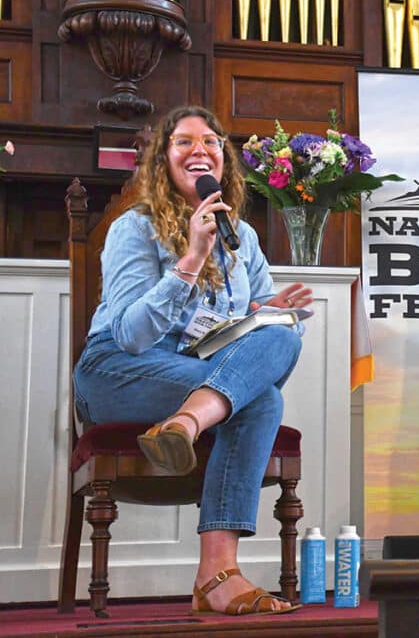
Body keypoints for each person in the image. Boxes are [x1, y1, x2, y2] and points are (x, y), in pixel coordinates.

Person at [73, 105, 313, 615]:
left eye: (210, 142)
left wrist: (260, 313)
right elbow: (132, 336)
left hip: (199, 376)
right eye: (184, 142)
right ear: (163, 161)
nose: (199, 149)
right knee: (260, 399)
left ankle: (185, 422)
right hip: (120, 372)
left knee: (283, 338)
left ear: (223, 161)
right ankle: (217, 576)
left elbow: (255, 338)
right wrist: (192, 256)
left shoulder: (242, 237)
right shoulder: (133, 229)